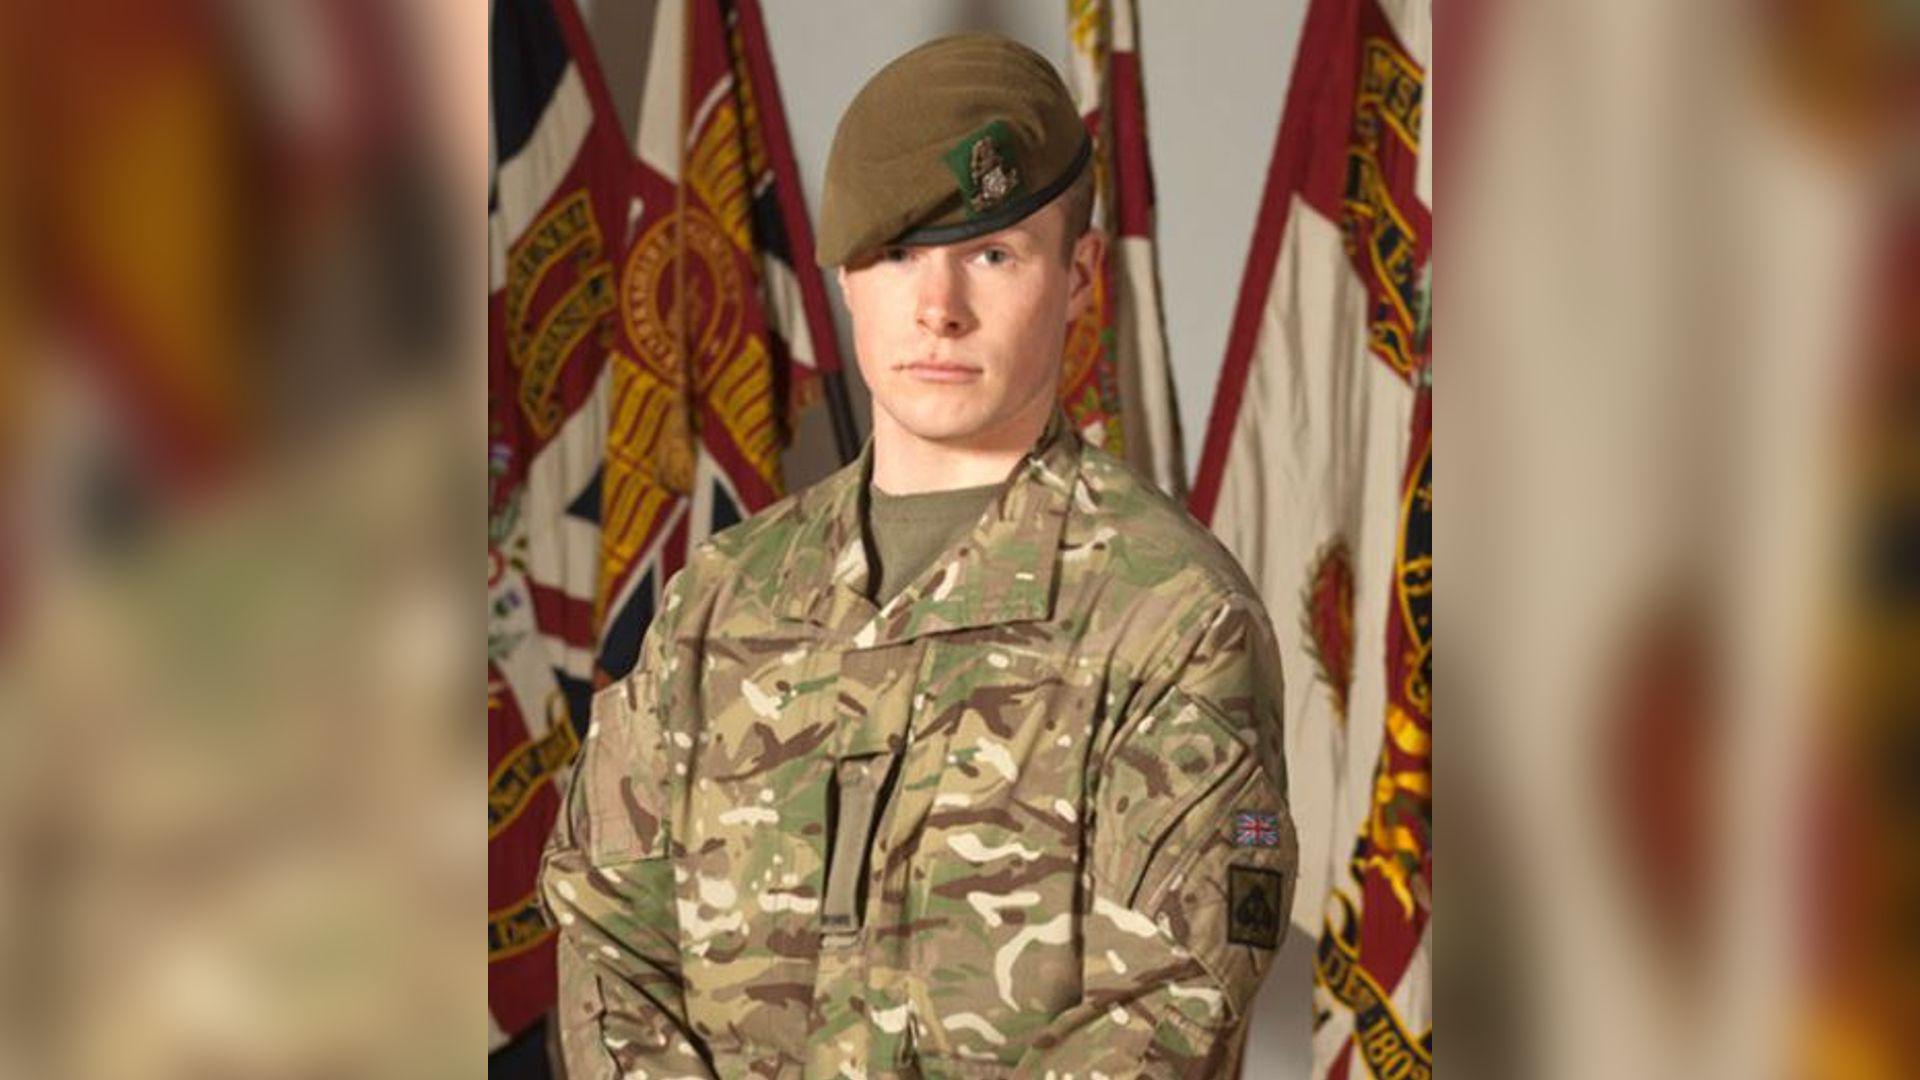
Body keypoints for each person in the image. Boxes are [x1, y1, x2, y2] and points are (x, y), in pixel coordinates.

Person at [540, 32, 1296, 1079]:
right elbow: (608, 942)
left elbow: (1165, 1016)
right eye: (897, 253)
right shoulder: (715, 605)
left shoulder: (1172, 619)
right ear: (845, 279)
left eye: (992, 254)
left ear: (1076, 277)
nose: (938, 307)